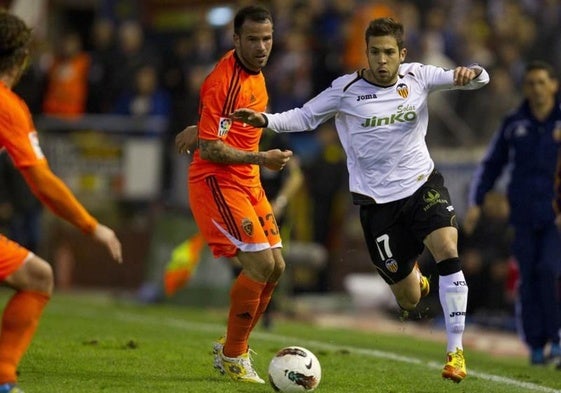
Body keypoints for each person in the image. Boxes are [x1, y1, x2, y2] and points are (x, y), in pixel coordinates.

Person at [231, 17, 490, 383]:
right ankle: (415, 277)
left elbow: (481, 78)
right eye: (374, 52)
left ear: (401, 54)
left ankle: (455, 352)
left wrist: (471, 73)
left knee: (448, 247)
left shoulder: (418, 76)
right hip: (378, 205)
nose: (382, 60)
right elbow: (304, 117)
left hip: (422, 184)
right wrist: (263, 119)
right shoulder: (345, 90)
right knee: (409, 299)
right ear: (365, 53)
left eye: (388, 53)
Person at [0, 10, 123, 393]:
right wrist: (92, 225)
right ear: (22, 59)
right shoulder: (8, 107)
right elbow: (42, 181)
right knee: (40, 279)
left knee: (36, 274)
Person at [182, 5, 292, 384]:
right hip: (217, 180)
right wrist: (263, 157)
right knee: (260, 266)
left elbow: (223, 122)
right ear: (235, 40)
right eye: (253, 39)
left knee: (276, 266)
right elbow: (212, 150)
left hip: (247, 180)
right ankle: (233, 355)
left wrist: (199, 126)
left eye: (267, 38)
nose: (262, 47)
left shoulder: (256, 76)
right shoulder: (223, 79)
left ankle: (233, 349)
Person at [465, 61, 561, 367]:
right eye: (531, 83)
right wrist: (476, 202)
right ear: (525, 88)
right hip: (522, 214)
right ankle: (535, 344)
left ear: (553, 85)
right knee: (528, 278)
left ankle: (557, 338)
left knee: (549, 271)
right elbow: (492, 164)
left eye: (541, 82)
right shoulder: (514, 123)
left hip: (555, 216)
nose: (536, 89)